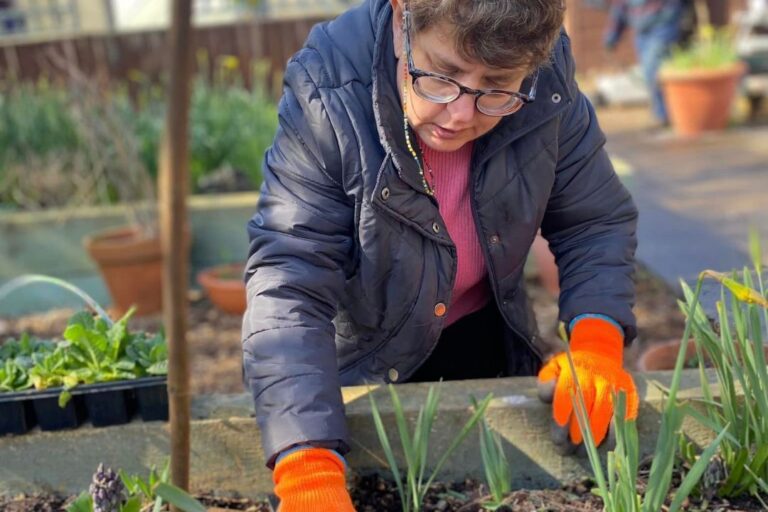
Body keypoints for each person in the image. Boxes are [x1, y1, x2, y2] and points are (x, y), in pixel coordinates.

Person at [243, 0, 640, 509]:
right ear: (402, 15)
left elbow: (594, 219)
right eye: (442, 75)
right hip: (355, 369)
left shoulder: (546, 78)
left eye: (496, 88)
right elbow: (290, 272)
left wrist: (596, 341)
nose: (459, 114)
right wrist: (306, 464)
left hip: (485, 335)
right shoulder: (330, 85)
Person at [603, 0, 688, 126]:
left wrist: (671, 15)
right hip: (641, 31)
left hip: (663, 26)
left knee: (652, 70)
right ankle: (665, 114)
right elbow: (620, 9)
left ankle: (664, 115)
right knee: (651, 73)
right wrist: (612, 37)